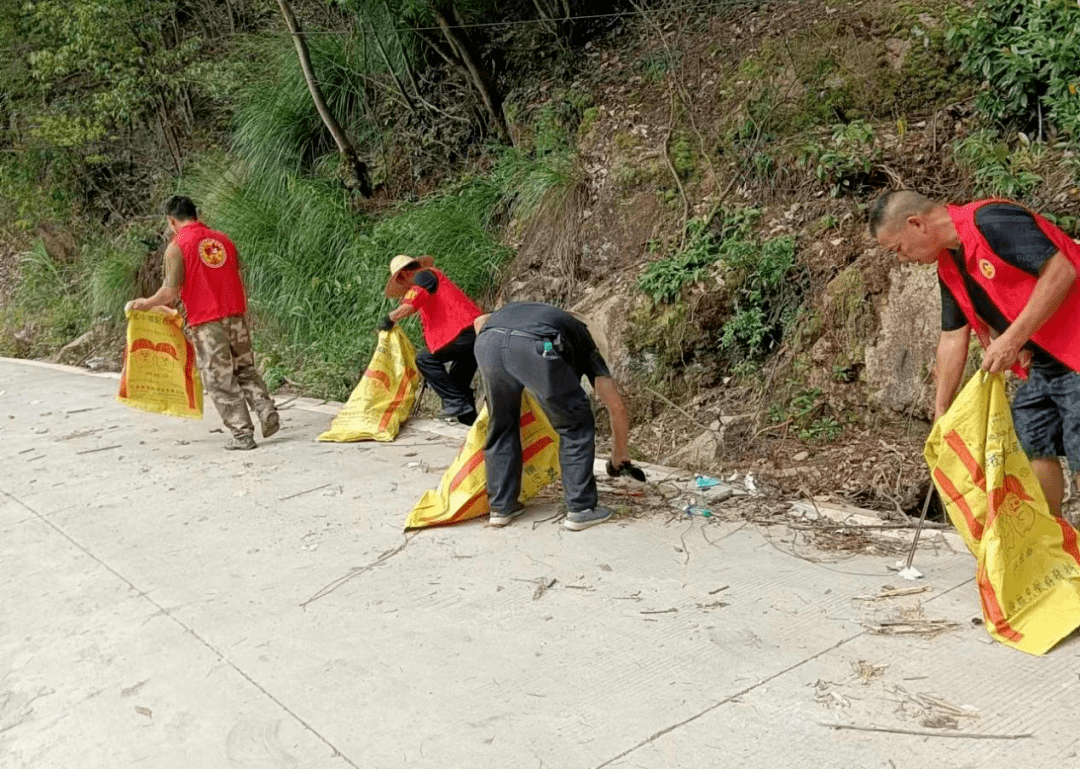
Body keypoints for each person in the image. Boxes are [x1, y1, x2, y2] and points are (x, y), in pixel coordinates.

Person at [870, 190, 1080, 514]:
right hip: (1049, 362)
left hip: (1074, 349)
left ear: (916, 224)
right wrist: (942, 411)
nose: (902, 258)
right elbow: (953, 338)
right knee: (1034, 439)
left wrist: (1011, 340)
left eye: (898, 248)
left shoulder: (991, 220)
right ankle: (1052, 544)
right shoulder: (949, 266)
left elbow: (1061, 271)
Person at [130, 195, 280, 450]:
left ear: (171, 220)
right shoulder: (223, 240)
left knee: (219, 378)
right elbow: (238, 276)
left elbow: (169, 291)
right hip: (236, 315)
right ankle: (266, 411)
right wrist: (244, 311)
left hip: (208, 321)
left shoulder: (178, 246)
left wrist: (145, 303)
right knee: (244, 368)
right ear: (195, 214)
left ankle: (242, 434)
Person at [472, 302, 632, 531]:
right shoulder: (583, 338)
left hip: (488, 343)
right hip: (538, 346)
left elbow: (479, 322)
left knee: (502, 423)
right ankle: (581, 508)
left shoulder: (536, 314)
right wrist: (619, 458)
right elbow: (616, 406)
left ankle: (501, 507)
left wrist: (504, 365)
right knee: (575, 424)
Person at [378, 255, 482, 426]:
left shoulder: (423, 276)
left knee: (424, 359)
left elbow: (411, 303)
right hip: (473, 334)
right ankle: (475, 428)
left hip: (463, 332)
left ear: (403, 276)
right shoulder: (430, 278)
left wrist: (390, 318)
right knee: (457, 386)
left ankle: (456, 403)